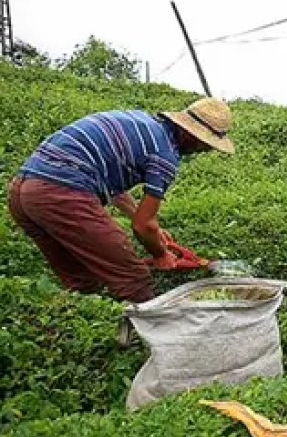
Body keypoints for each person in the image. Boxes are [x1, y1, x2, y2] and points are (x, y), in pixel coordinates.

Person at [8, 98, 235, 303]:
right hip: (60, 193)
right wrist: (161, 254)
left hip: (22, 193)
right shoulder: (164, 154)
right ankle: (146, 338)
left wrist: (152, 230)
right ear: (190, 134)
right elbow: (142, 226)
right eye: (206, 143)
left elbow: (116, 190)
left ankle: (87, 324)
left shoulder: (143, 124)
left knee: (80, 277)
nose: (205, 150)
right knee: (133, 277)